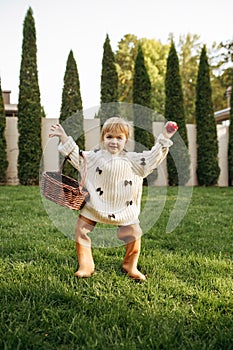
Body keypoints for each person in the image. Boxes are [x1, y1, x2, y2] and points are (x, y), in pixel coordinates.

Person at [49, 117, 178, 281]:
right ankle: (85, 265)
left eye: (119, 137)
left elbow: (154, 157)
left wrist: (165, 137)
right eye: (109, 137)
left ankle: (130, 266)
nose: (114, 141)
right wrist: (63, 136)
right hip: (94, 206)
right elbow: (76, 154)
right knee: (81, 230)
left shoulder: (134, 160)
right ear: (103, 138)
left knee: (134, 235)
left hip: (124, 209)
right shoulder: (95, 157)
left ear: (126, 140)